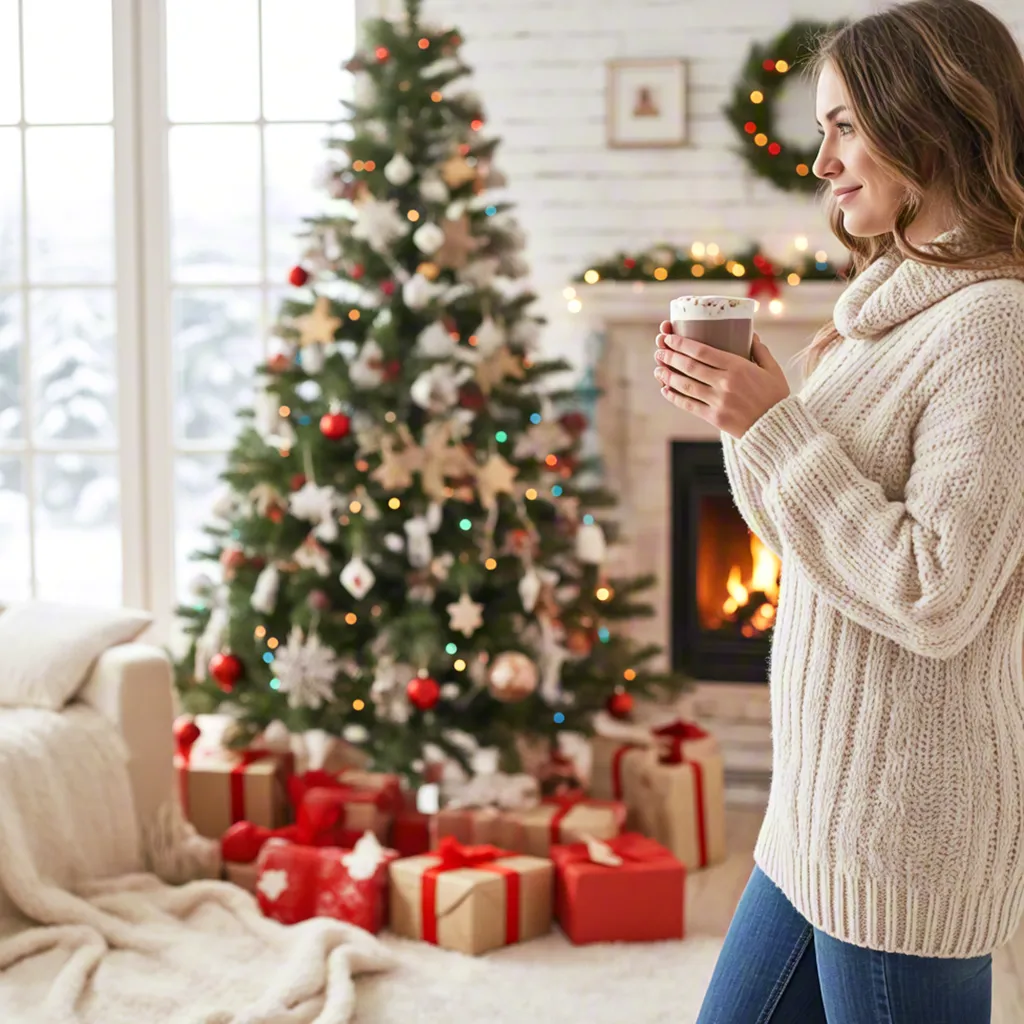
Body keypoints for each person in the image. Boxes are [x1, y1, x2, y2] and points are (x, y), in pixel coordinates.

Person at [654, 1, 1024, 1021]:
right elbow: (798, 537)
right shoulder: (886, 309)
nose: (822, 162)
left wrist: (774, 427)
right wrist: (745, 412)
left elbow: (934, 595)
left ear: (928, 122)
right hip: (814, 810)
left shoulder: (992, 330)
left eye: (843, 126)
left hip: (905, 836)